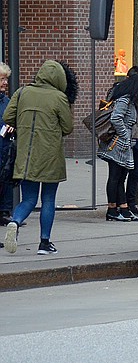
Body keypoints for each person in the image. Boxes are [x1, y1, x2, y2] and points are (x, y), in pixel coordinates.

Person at [3, 60, 77, 255]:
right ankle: (44, 243)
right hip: (50, 156)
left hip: (26, 155)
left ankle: (14, 221)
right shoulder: (59, 97)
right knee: (48, 199)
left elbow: (8, 118)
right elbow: (68, 128)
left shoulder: (22, 92)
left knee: (28, 199)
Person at [99, 68, 138, 221]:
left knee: (120, 176)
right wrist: (124, 134)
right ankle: (112, 209)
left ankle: (123, 208)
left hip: (124, 144)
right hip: (118, 143)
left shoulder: (131, 100)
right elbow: (116, 118)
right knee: (115, 176)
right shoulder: (124, 99)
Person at [123, 66, 138, 217]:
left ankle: (127, 203)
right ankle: (125, 203)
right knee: (124, 173)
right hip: (131, 138)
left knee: (134, 173)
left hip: (137, 137)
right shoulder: (127, 98)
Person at [0, 62, 13, 227]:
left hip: (4, 147)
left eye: (5, 79)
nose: (5, 83)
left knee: (4, 181)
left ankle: (4, 211)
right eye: (2, 79)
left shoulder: (7, 100)